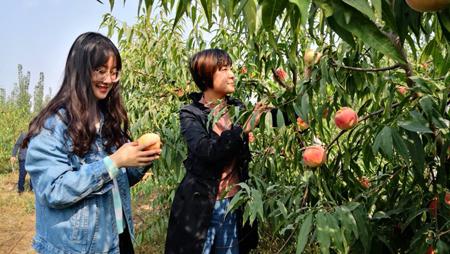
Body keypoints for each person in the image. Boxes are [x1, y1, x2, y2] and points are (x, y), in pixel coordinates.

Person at [23, 32, 161, 254]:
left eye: (114, 72)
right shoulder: (53, 125)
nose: (108, 79)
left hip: (117, 238)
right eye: (101, 71)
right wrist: (114, 162)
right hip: (78, 248)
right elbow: (54, 189)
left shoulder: (106, 119)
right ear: (80, 71)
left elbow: (119, 180)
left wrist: (141, 159)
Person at [165, 49, 266, 254]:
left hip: (232, 202)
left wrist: (303, 89)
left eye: (231, 68)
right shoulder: (190, 114)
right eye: (224, 69)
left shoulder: (237, 108)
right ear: (206, 76)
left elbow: (276, 117)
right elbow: (207, 151)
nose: (232, 74)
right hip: (202, 206)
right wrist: (242, 130)